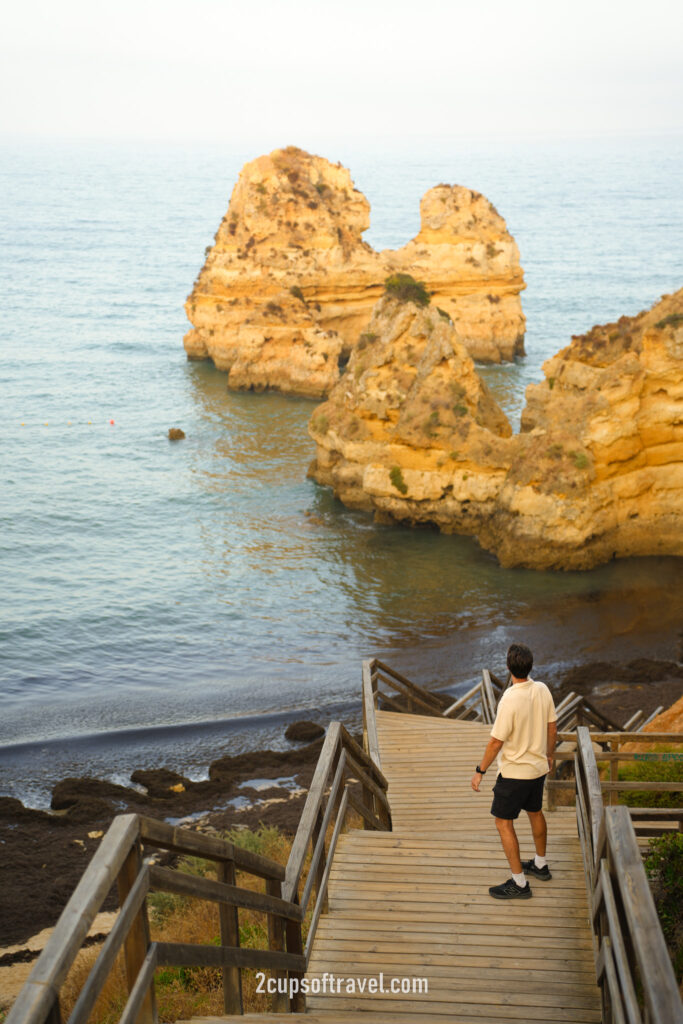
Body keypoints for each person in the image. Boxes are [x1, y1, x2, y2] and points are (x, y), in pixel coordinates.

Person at [470, 642, 557, 900]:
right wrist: (550, 755)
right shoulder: (542, 689)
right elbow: (552, 728)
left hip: (514, 775)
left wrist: (480, 771)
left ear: (508, 668)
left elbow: (496, 741)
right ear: (530, 666)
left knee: (503, 823)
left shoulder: (509, 697)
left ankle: (519, 884)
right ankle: (540, 865)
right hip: (538, 769)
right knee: (535, 812)